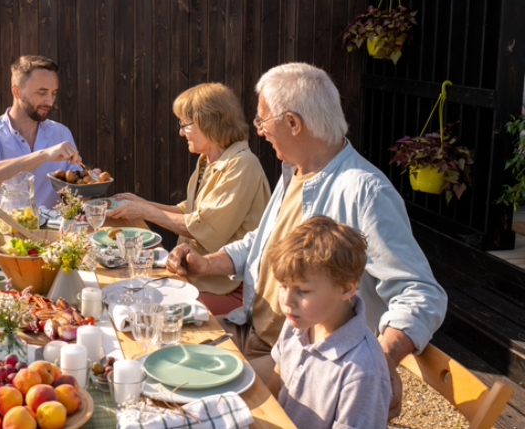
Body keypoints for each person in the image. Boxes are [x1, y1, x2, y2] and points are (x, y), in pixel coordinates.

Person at [166, 62, 447, 419]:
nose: (260, 130)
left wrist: (385, 356)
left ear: (293, 123)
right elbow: (262, 241)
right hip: (254, 332)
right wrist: (208, 263)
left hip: (295, 363)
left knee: (191, 408)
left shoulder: (365, 191)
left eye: (262, 120)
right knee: (162, 353)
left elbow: (421, 292)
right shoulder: (296, 171)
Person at [109, 83, 271, 314]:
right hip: (198, 279)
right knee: (126, 291)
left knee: (147, 311)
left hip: (228, 288)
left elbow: (203, 226)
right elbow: (192, 211)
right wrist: (141, 203)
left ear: (209, 121)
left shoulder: (242, 164)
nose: (181, 132)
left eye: (185, 124)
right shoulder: (208, 160)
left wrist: (144, 212)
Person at [265, 216, 391, 429]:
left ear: (346, 288)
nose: (286, 302)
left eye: (302, 291)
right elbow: (277, 380)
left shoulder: (361, 371)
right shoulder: (298, 322)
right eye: (283, 286)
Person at [0, 55, 82, 216]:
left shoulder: (61, 133)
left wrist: (92, 181)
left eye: (54, 93)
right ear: (16, 91)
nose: (50, 101)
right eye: (42, 93)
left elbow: (78, 190)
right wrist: (43, 155)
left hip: (51, 236)